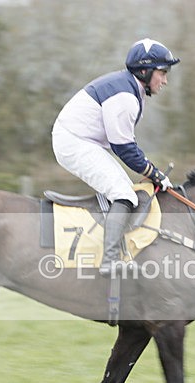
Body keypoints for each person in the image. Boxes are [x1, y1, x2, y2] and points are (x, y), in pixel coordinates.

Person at [52, 38, 180, 275]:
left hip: (82, 141)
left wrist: (152, 172)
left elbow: (126, 146)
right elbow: (124, 148)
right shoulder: (125, 96)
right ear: (145, 70)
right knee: (123, 194)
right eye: (162, 72)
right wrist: (155, 173)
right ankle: (110, 260)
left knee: (123, 190)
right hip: (74, 142)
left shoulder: (131, 89)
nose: (165, 80)